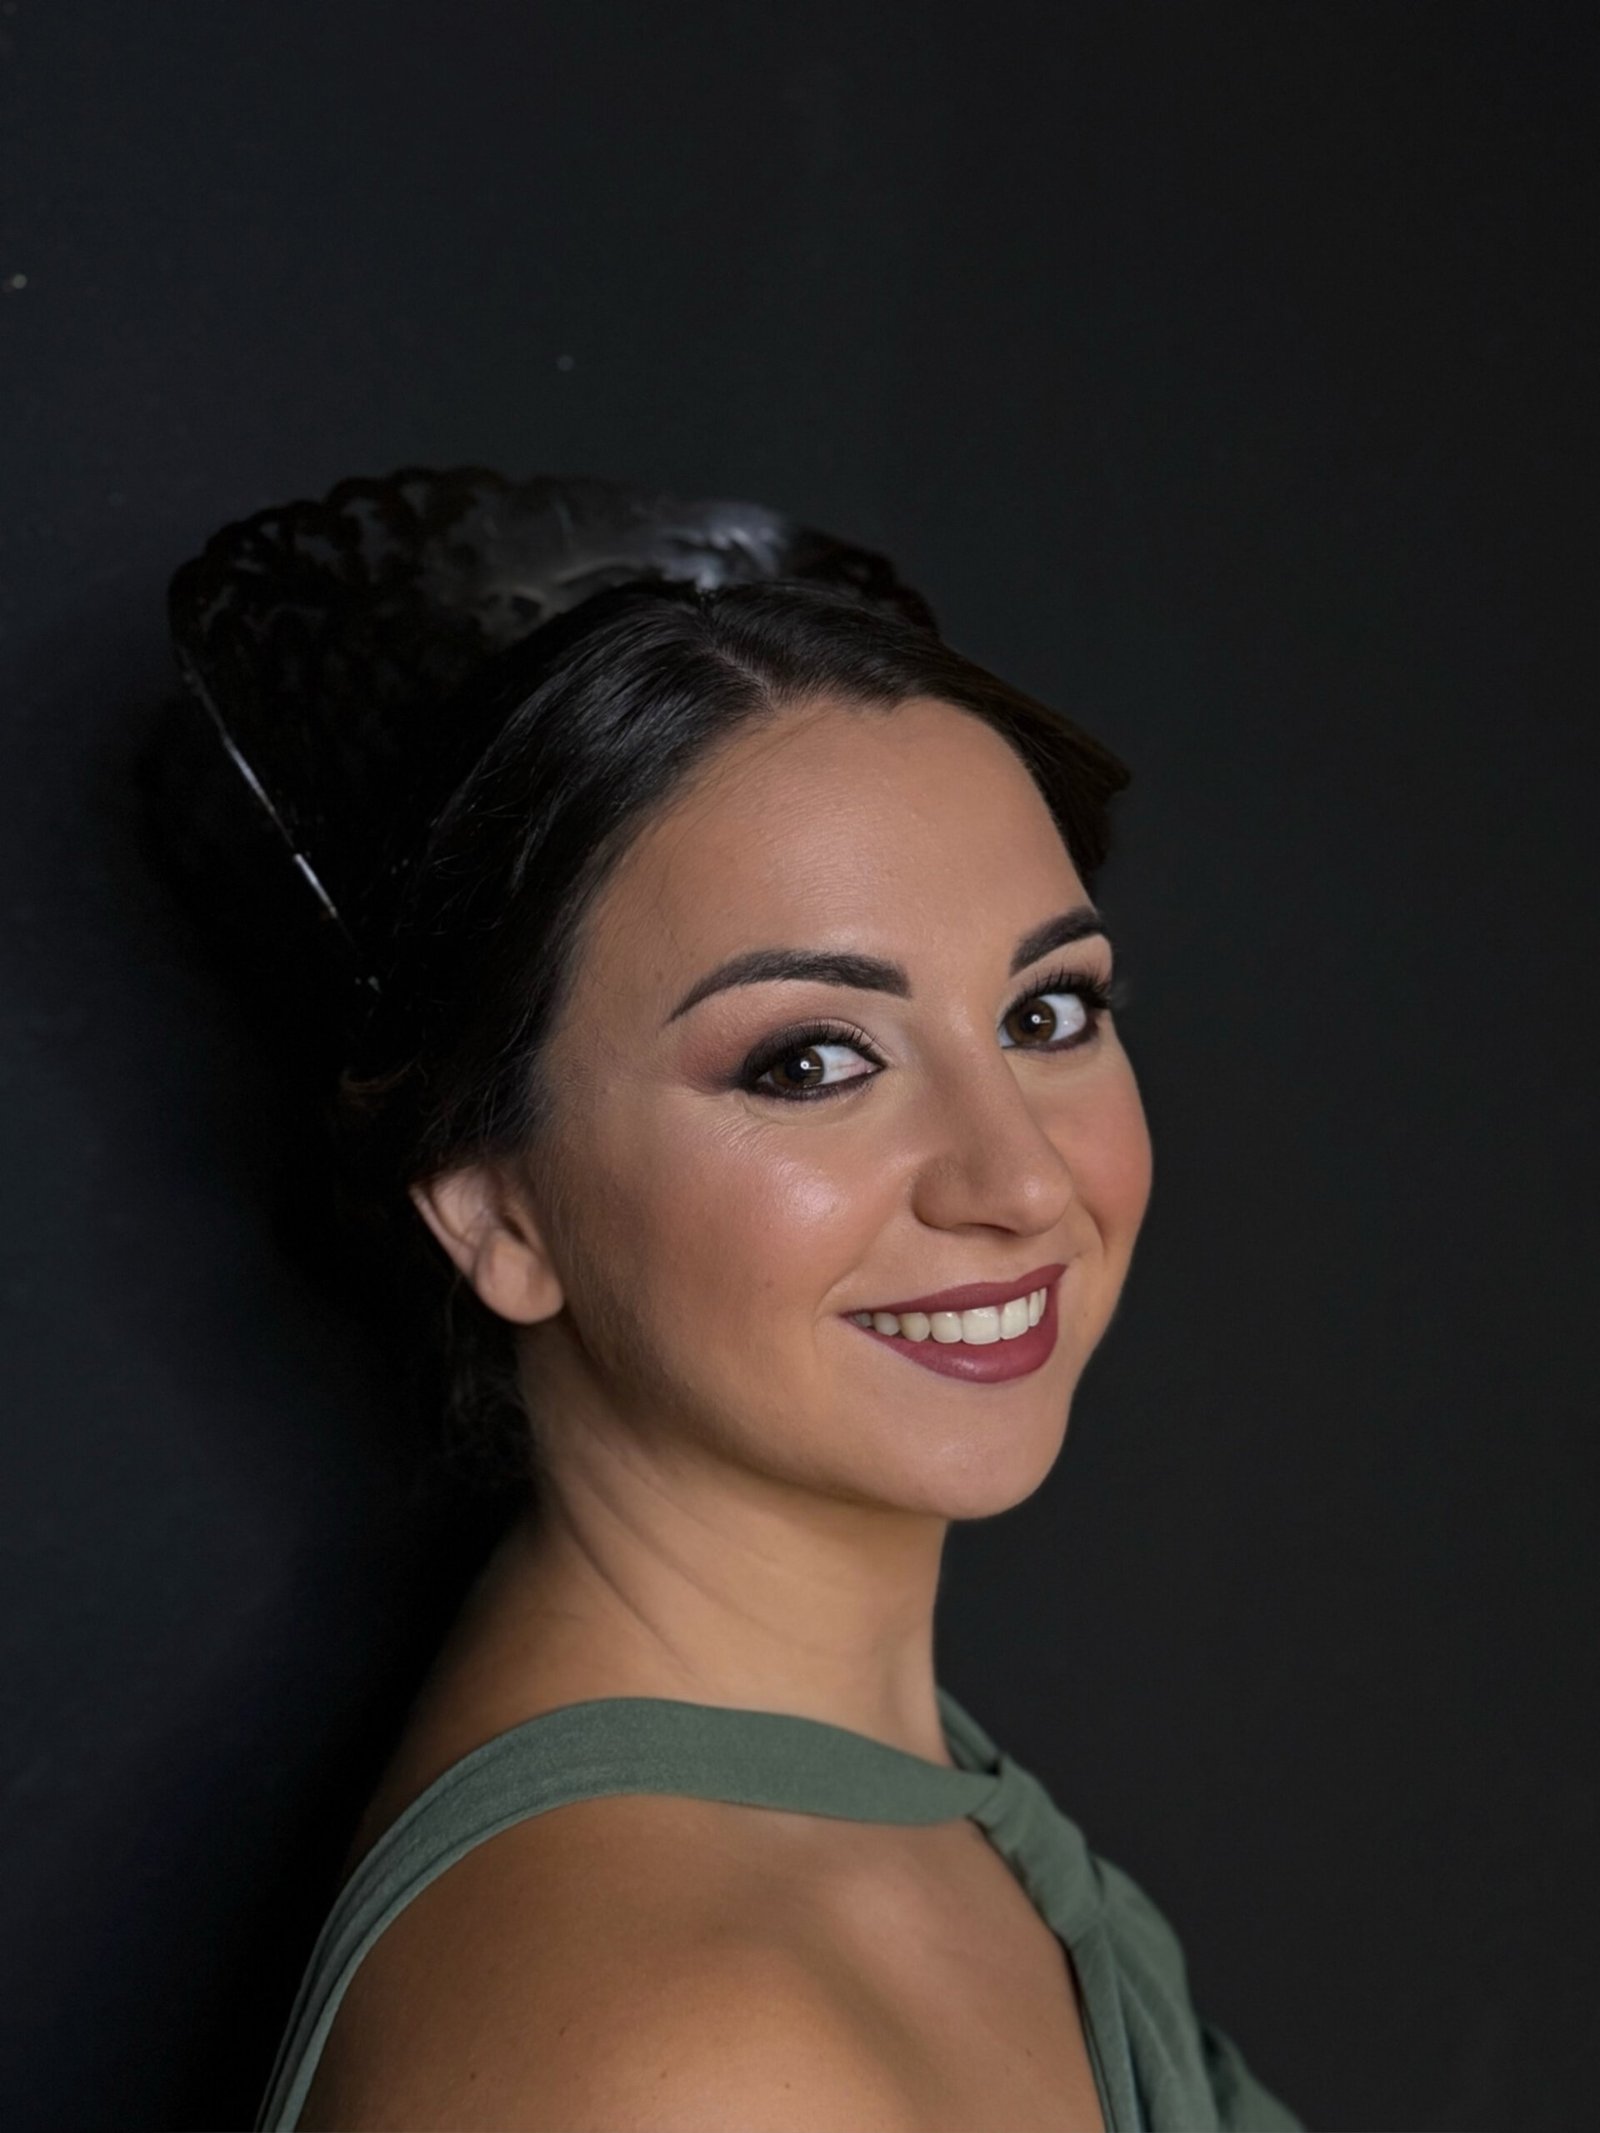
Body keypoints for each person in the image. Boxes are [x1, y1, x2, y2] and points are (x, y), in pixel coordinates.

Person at [172, 474, 1303, 2132]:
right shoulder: (690, 2064)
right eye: (811, 1060)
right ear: (494, 1210)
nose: (1015, 1177)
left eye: (1048, 1012)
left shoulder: (875, 1792)